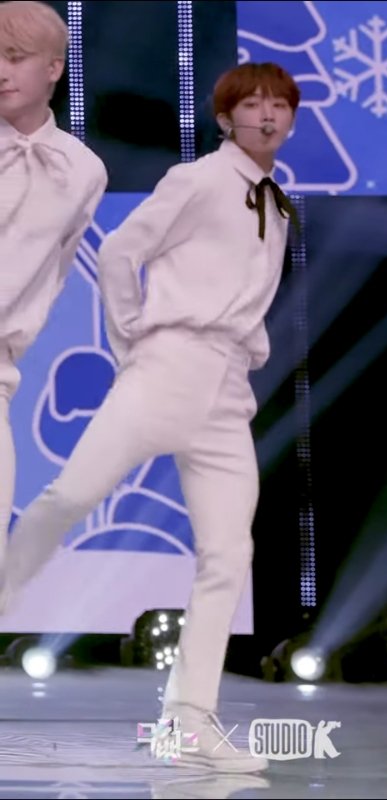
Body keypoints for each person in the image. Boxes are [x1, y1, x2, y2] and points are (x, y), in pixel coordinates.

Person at [2, 61, 300, 772]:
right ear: (225, 118)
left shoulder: (278, 204)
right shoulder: (197, 180)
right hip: (168, 365)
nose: (266, 116)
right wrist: (132, 337)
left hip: (227, 388)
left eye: (279, 105)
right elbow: (121, 252)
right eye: (252, 105)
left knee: (228, 555)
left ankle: (189, 719)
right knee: (68, 498)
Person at [0, 0, 108, 570]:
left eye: (15, 57)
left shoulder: (82, 170)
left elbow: (56, 269)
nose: (1, 71)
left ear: (54, 67)